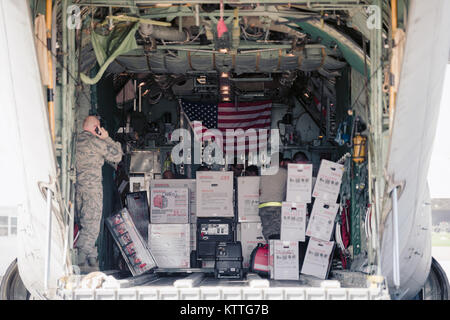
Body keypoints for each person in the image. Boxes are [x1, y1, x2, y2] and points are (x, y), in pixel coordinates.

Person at [75, 116, 123, 270]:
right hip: (92, 189)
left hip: (78, 189)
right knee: (92, 226)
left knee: (84, 224)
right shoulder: (96, 142)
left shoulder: (75, 141)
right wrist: (107, 138)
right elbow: (117, 155)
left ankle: (91, 260)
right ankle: (80, 261)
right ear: (96, 127)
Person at [258, 152, 287, 240]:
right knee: (277, 233)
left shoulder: (263, 172)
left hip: (263, 206)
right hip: (276, 207)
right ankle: (276, 251)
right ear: (281, 163)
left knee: (267, 231)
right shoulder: (285, 173)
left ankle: (270, 249)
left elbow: (259, 190)